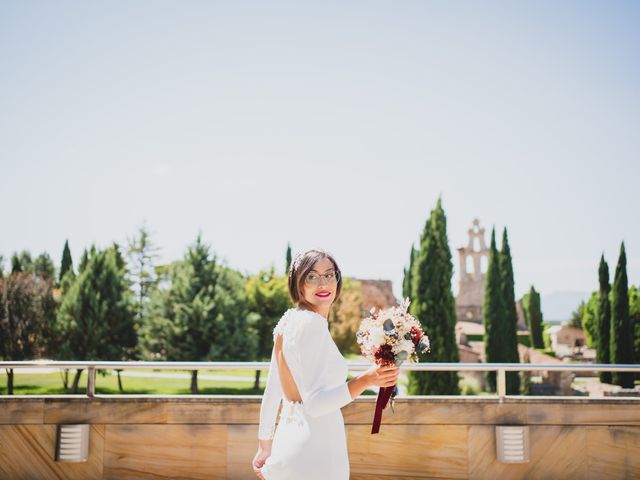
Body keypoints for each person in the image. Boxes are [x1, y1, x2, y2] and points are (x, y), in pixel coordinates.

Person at [251, 248, 399, 480]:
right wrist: (366, 380)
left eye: (330, 275)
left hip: (286, 445)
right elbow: (316, 404)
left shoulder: (287, 321)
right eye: (312, 276)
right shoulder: (312, 325)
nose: (323, 283)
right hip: (317, 452)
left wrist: (265, 445)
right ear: (298, 284)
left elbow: (272, 392)